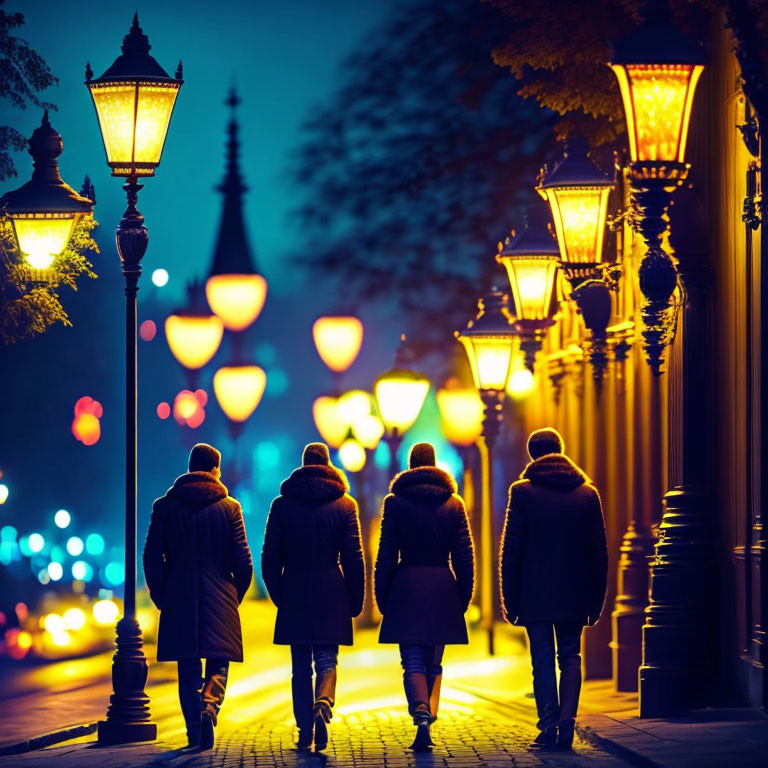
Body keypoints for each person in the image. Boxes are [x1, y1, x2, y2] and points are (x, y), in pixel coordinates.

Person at [499, 428, 608, 751]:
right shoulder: (587, 494)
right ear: (561, 450)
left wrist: (510, 598)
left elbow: (512, 549)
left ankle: (547, 724)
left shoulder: (522, 493)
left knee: (542, 659)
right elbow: (599, 552)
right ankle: (567, 723)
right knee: (571, 657)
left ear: (533, 455)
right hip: (575, 593)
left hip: (534, 594)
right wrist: (597, 600)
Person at [143, 443, 253, 751]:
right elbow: (242, 560)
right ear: (215, 469)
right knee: (219, 660)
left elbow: (152, 556)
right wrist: (235, 595)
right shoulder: (230, 508)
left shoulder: (164, 507)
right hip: (220, 593)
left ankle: (194, 729)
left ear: (190, 467)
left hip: (178, 594)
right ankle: (210, 706)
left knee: (187, 666)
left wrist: (162, 595)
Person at [261, 443, 365, 751]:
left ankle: (305, 729)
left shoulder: (282, 505)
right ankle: (323, 703)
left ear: (303, 465)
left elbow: (270, 557)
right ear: (328, 464)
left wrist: (279, 593)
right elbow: (353, 557)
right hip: (331, 589)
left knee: (300, 667)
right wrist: (354, 599)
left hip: (295, 588)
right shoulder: (345, 505)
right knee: (327, 658)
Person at [374, 442, 474, 752]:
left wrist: (383, 596)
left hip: (406, 588)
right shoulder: (453, 503)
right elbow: (464, 557)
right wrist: (463, 596)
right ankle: (429, 713)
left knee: (412, 660)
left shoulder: (395, 503)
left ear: (410, 466)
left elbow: (386, 556)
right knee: (434, 659)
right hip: (443, 588)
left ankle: (419, 712)